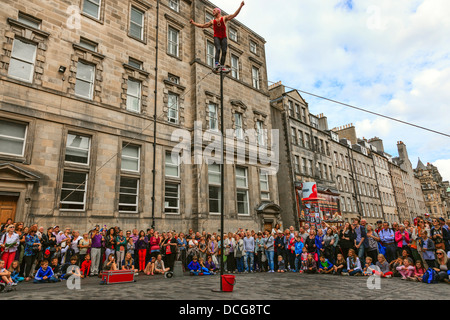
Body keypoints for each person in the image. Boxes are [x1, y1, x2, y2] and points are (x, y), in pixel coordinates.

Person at [189, 1, 246, 71]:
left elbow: (234, 15)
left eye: (214, 10)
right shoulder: (212, 21)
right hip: (217, 37)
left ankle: (221, 66)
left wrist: (241, 6)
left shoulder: (224, 18)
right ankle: (216, 64)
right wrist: (193, 23)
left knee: (224, 51)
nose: (213, 11)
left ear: (218, 11)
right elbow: (202, 25)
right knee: (218, 49)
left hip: (224, 37)